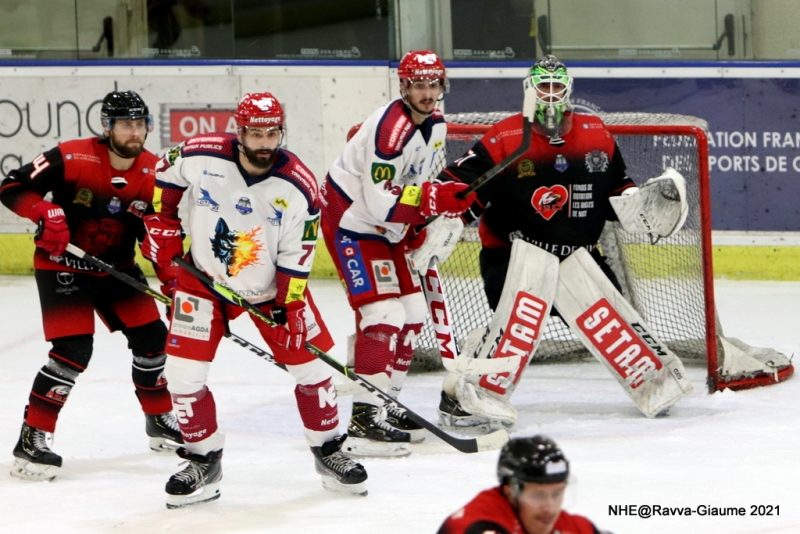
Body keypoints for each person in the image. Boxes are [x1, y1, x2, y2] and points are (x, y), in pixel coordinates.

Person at [143, 92, 368, 508]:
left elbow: (298, 254)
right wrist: (161, 219)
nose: (264, 142)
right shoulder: (201, 153)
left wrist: (293, 304)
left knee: (314, 368)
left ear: (281, 132)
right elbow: (165, 172)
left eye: (272, 133)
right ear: (240, 131)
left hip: (270, 293)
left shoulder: (299, 185)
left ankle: (330, 450)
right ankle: (202, 459)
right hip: (203, 282)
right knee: (182, 375)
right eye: (255, 133)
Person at [435, 55, 639, 431]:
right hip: (515, 259)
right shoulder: (505, 137)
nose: (549, 95)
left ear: (568, 91)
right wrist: (444, 217)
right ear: (529, 91)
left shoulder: (596, 134)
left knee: (622, 330)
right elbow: (465, 185)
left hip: (579, 260)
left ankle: (654, 381)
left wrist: (639, 206)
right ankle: (458, 395)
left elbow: (618, 191)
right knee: (510, 338)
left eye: (556, 87)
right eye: (542, 87)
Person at [0, 90, 183, 482]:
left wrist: (171, 282)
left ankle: (159, 421)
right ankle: (32, 439)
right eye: (125, 124)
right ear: (107, 127)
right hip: (61, 263)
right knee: (72, 350)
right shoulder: (71, 156)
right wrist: (43, 209)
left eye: (140, 124)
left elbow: (156, 236)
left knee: (154, 340)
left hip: (115, 267)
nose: (134, 132)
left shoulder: (155, 172)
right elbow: (11, 187)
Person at [320, 50, 476, 457]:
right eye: (418, 85)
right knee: (383, 316)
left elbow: (411, 184)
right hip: (351, 222)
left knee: (413, 314)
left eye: (433, 84)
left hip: (385, 227)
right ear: (404, 86)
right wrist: (431, 199)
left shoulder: (436, 124)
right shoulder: (390, 131)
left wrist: (422, 217)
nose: (427, 93)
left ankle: (385, 401)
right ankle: (363, 419)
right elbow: (378, 202)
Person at [438, 435, 609, 534]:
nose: (549, 508)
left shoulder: (566, 525)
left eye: (557, 494)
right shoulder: (481, 526)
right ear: (511, 492)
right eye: (538, 495)